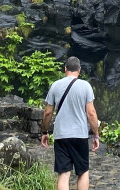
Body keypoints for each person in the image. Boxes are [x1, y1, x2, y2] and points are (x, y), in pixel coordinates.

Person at [40, 56, 100, 190]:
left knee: (64, 173)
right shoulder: (85, 86)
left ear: (65, 69)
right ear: (79, 70)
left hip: (61, 135)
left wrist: (44, 132)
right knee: (83, 172)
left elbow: (48, 112)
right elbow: (91, 113)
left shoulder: (55, 85)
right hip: (80, 135)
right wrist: (96, 135)